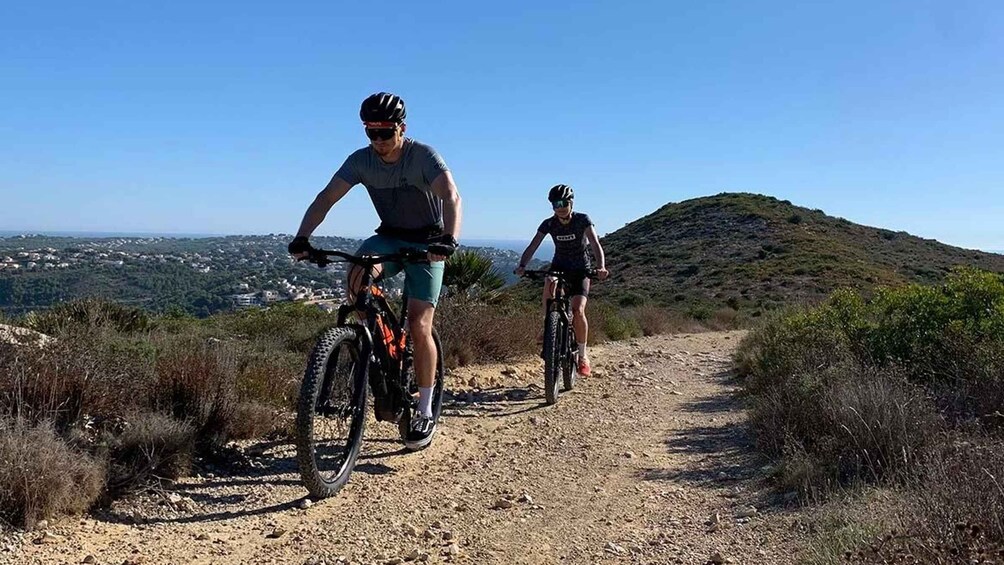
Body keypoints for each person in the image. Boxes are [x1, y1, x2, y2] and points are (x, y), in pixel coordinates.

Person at [288, 92, 462, 450]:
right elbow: (326, 198)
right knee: (357, 275)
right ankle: (371, 343)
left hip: (428, 243)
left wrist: (448, 238)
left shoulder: (423, 156)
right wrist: (303, 236)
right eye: (371, 133)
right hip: (390, 239)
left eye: (385, 132)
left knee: (419, 324)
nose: (378, 141)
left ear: (402, 128)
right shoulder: (361, 161)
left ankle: (425, 409)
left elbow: (450, 196)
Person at [514, 184, 608, 376]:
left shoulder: (583, 220)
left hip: (581, 269)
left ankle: (582, 356)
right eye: (556, 203)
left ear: (571, 202)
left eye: (564, 202)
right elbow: (534, 245)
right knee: (549, 283)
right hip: (559, 265)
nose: (560, 207)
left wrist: (601, 267)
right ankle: (548, 326)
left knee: (577, 310)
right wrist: (522, 265)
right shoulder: (549, 224)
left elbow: (595, 244)